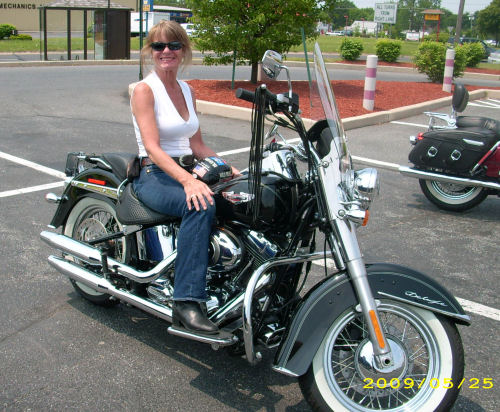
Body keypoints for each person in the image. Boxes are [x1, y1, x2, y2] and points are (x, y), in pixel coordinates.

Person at [130, 20, 237, 335]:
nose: (166, 51)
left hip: (188, 167)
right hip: (154, 173)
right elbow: (152, 146)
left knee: (239, 200)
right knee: (200, 204)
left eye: (173, 45)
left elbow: (197, 145)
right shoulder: (144, 89)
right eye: (159, 46)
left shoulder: (187, 90)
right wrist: (189, 181)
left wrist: (228, 169)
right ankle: (186, 301)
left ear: (183, 50)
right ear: (150, 51)